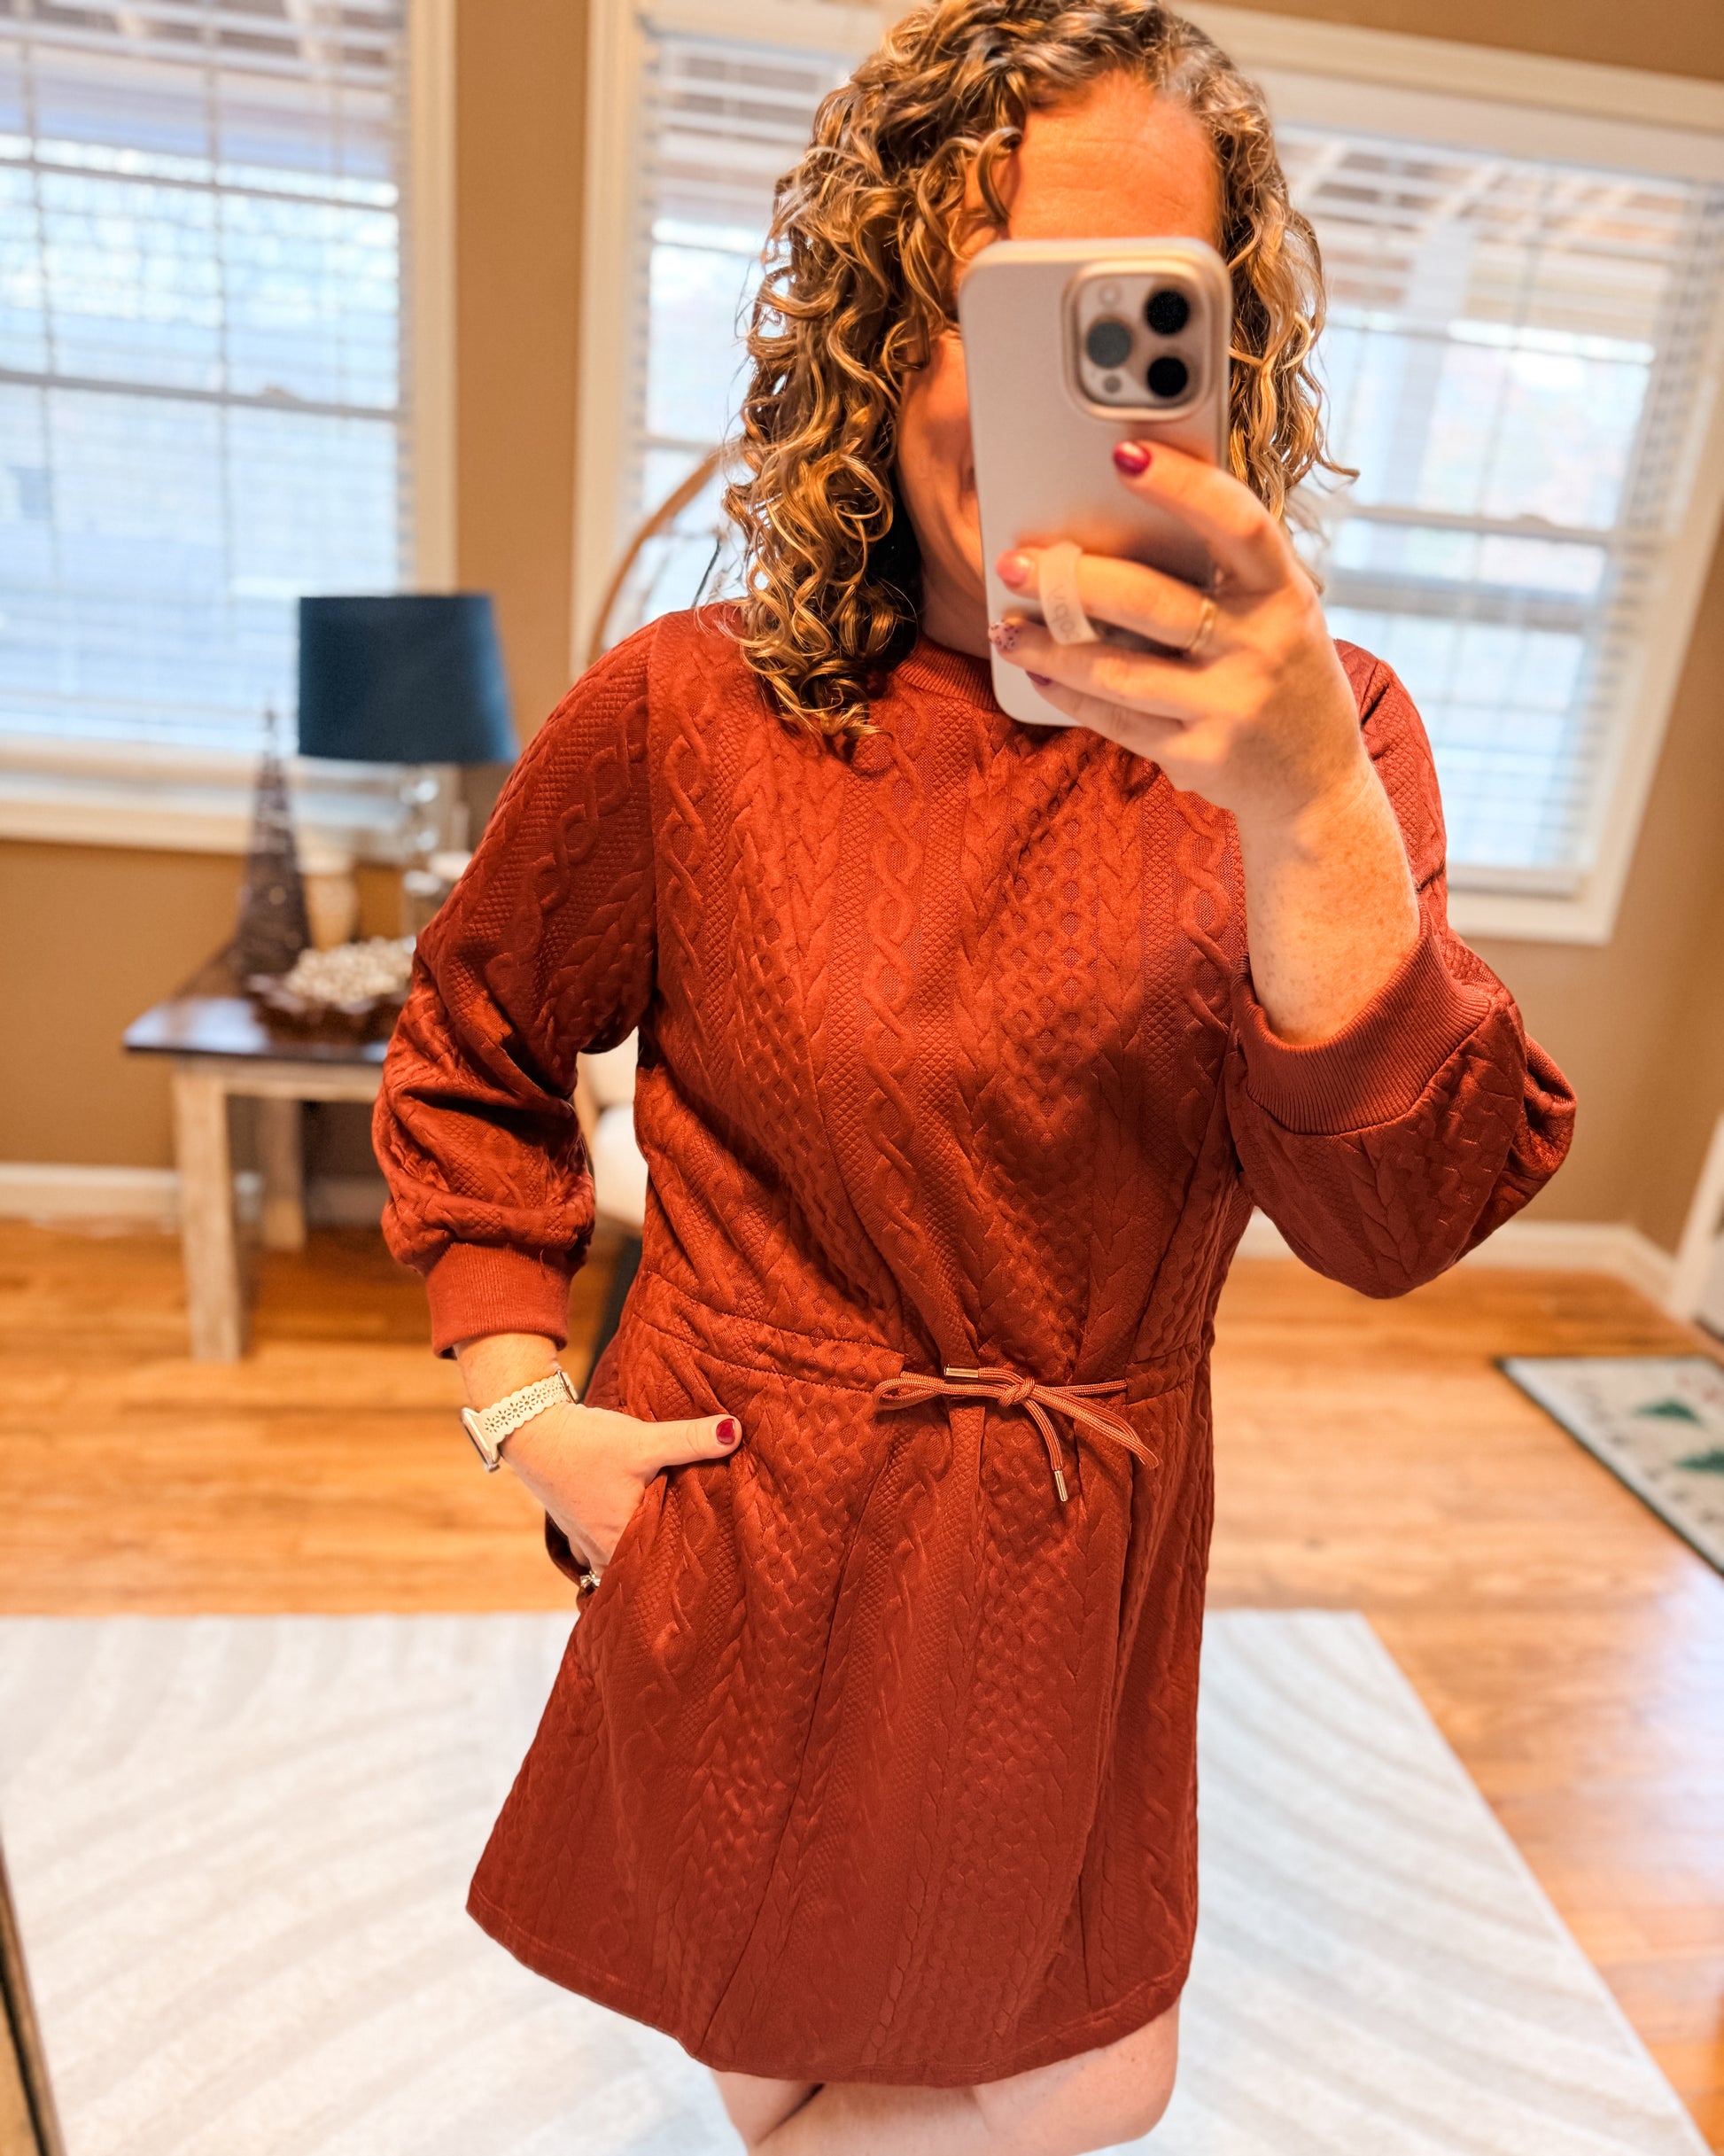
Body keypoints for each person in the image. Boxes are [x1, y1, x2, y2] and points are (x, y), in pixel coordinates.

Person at [373, 4, 1575, 2149]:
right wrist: (520, 1408)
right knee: (772, 2031)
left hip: (1070, 1543)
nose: (1068, 400)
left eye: (1141, 318)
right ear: (875, 329)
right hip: (750, 1516)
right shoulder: (689, 714)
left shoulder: (1322, 735)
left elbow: (1398, 1216)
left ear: (1223, 359)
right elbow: (472, 1036)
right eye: (1004, 308)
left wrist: (1303, 795)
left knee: (1092, 2068)